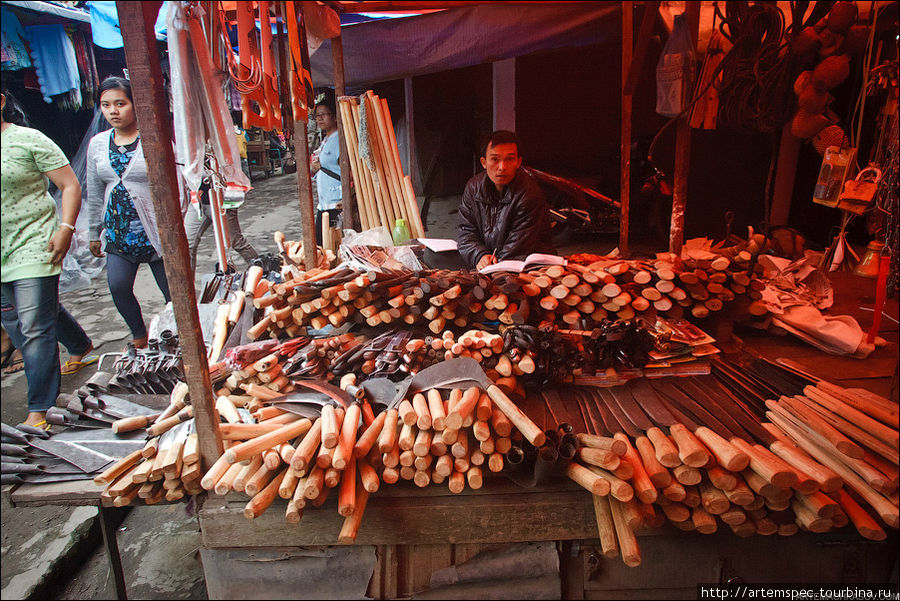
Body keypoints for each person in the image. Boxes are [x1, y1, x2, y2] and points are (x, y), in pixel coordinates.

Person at [1, 89, 95, 427]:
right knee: (30, 316)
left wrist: (66, 228)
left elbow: (70, 185)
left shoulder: (28, 140)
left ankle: (39, 410)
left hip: (33, 244)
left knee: (33, 329)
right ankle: (80, 344)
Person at [86, 76, 170, 350]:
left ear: (135, 105)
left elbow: (175, 181)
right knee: (119, 287)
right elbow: (95, 189)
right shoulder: (98, 144)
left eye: (120, 103)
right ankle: (139, 335)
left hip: (156, 231)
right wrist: (93, 232)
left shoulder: (154, 137)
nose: (113, 111)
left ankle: (178, 334)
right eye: (106, 105)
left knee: (173, 292)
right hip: (118, 232)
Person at [457, 130, 555, 270]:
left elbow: (518, 247)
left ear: (518, 162)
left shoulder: (529, 193)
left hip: (524, 261)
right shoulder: (473, 187)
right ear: (484, 162)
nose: (502, 167)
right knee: (433, 256)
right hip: (489, 256)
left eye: (509, 159)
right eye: (495, 159)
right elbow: (466, 230)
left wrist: (491, 266)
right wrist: (479, 255)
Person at [183, 178, 259, 272]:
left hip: (223, 197)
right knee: (187, 244)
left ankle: (262, 270)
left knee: (235, 241)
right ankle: (188, 285)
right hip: (198, 200)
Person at [310, 101, 341, 245]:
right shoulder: (326, 140)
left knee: (331, 247)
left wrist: (348, 195)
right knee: (321, 245)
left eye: (324, 114)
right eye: (317, 115)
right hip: (324, 203)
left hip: (336, 203)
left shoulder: (339, 140)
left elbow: (351, 172)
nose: (320, 118)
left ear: (334, 117)